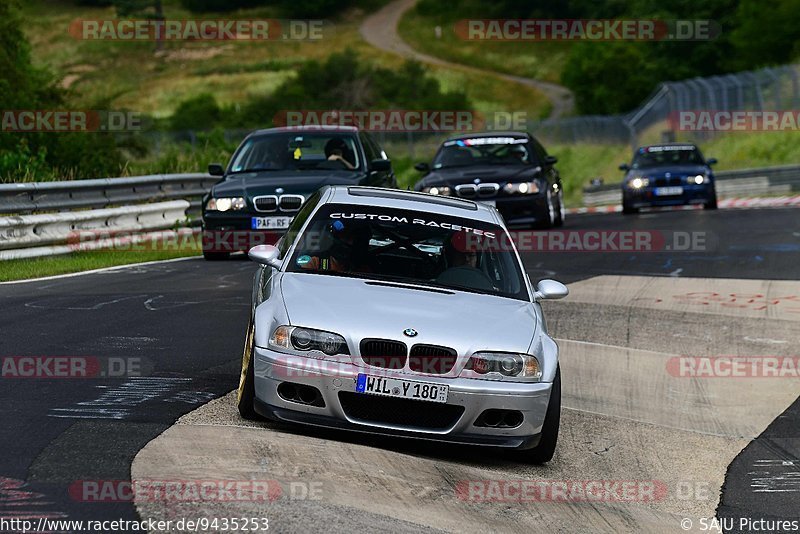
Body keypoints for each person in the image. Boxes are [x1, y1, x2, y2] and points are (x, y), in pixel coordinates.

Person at [298, 220, 372, 273]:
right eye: (348, 237)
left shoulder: (366, 271)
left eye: (358, 240)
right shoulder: (315, 263)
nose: (352, 243)